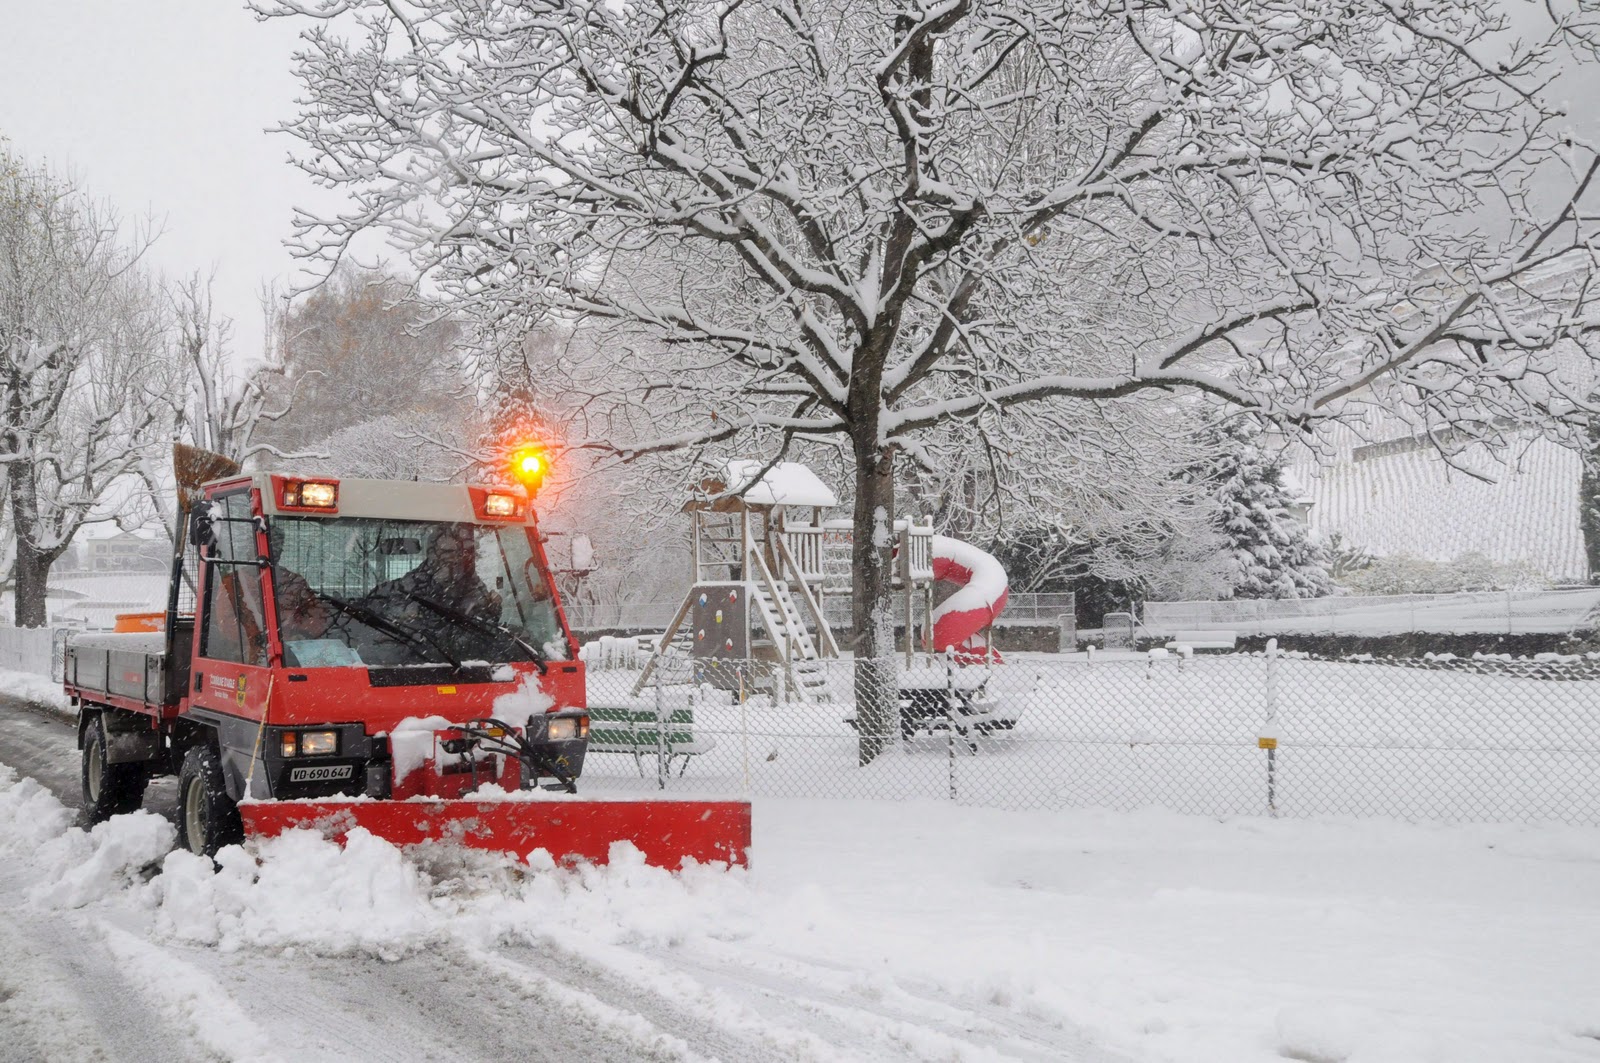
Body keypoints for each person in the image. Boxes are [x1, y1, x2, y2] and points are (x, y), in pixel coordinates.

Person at [369, 524, 502, 623]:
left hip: (466, 655)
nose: (455, 558)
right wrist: (409, 611)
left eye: (463, 553)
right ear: (432, 553)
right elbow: (375, 610)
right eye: (448, 552)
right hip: (414, 653)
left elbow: (485, 623)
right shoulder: (408, 585)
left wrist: (493, 606)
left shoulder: (473, 585)